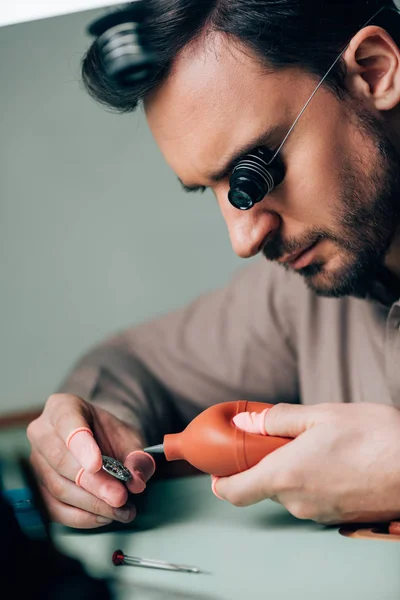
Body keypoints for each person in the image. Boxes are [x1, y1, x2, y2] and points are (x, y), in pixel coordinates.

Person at [27, 0, 400, 529]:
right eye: (211, 190)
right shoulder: (299, 293)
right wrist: (88, 435)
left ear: (373, 71)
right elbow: (137, 364)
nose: (244, 238)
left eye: (254, 173)